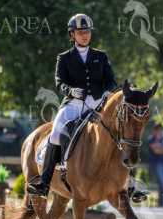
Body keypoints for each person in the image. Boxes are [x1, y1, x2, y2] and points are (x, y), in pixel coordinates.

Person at [28, 13, 117, 197]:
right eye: (81, 32)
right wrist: (71, 91)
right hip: (74, 105)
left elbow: (111, 80)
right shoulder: (64, 58)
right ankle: (44, 182)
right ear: (72, 35)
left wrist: (108, 92)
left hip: (98, 104)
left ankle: (128, 182)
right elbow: (59, 82)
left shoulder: (101, 56)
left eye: (87, 31)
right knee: (56, 131)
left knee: (119, 130)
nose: (85, 35)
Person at [148, 124, 163, 207]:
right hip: (157, 164)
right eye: (158, 130)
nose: (160, 132)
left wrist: (161, 149)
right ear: (154, 131)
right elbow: (156, 151)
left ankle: (162, 203)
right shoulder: (151, 139)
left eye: (161, 130)